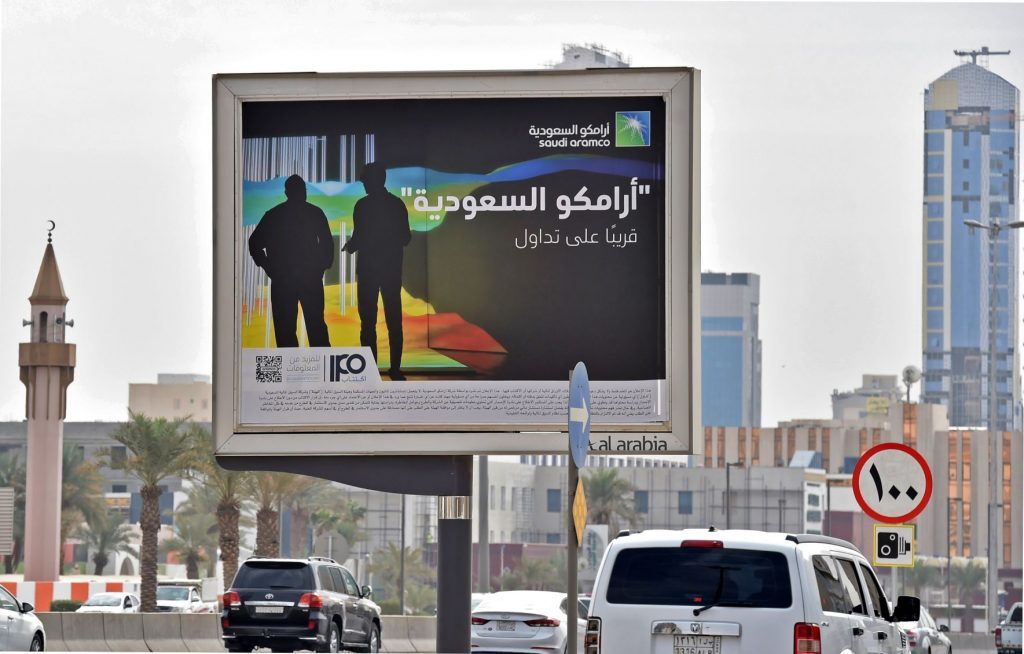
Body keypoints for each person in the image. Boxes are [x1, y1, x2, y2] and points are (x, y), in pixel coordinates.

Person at [248, 174, 334, 347]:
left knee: (286, 330)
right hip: (307, 279)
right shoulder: (314, 213)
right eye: (302, 189)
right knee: (315, 328)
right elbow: (327, 245)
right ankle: (323, 372)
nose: (303, 193)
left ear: (286, 192)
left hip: (284, 280)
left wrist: (269, 268)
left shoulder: (274, 215)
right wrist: (320, 268)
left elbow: (254, 243)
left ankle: (290, 371)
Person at [343, 162, 411, 380]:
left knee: (368, 323)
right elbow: (405, 238)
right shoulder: (396, 205)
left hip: (368, 271)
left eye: (364, 179)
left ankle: (370, 371)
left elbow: (359, 237)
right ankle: (395, 369)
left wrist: (352, 246)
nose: (362, 182)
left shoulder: (362, 206)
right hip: (390, 271)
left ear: (372, 180)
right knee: (394, 321)